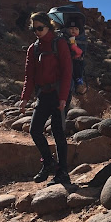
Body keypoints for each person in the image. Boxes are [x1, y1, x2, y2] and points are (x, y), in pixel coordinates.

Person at [19, 12, 72, 185]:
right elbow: (29, 76)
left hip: (58, 94)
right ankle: (48, 162)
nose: (37, 32)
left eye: (40, 28)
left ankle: (62, 172)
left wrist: (63, 98)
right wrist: (25, 98)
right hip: (43, 94)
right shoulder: (33, 49)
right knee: (35, 129)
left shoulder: (60, 43)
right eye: (34, 29)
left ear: (49, 26)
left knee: (58, 133)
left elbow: (67, 72)